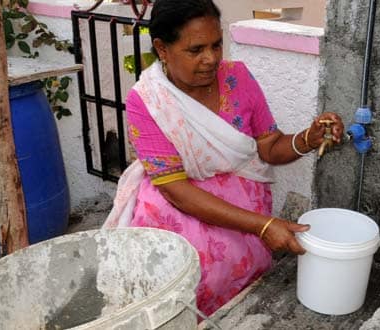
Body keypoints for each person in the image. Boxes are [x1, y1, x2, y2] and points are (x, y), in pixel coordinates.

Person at [103, 0, 345, 316]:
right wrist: (264, 226)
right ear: (162, 48)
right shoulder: (148, 101)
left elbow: (269, 146)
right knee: (186, 276)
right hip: (177, 203)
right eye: (196, 50)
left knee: (242, 284)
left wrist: (308, 139)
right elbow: (176, 190)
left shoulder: (238, 79)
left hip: (243, 203)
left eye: (217, 45)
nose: (211, 59)